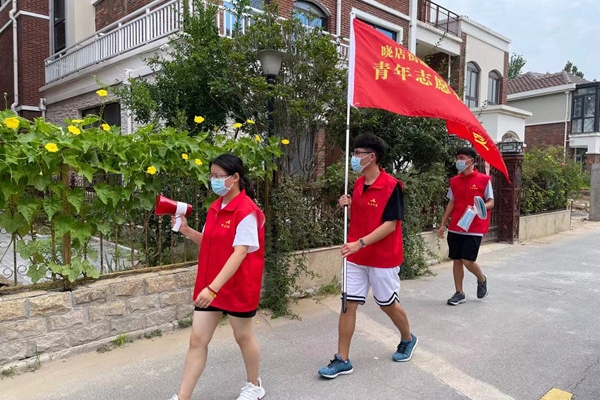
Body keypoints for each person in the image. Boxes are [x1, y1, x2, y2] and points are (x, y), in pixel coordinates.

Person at [318, 132, 417, 380]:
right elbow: (359, 220)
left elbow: (390, 225)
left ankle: (408, 338)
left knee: (387, 304)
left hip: (382, 257)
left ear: (372, 157)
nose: (353, 158)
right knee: (347, 305)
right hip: (355, 256)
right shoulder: (358, 184)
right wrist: (348, 207)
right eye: (354, 153)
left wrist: (359, 243)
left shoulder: (392, 186)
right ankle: (342, 359)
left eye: (358, 154)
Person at [168, 154, 266, 400]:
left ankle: (254, 385)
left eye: (218, 176)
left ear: (235, 178)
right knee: (197, 340)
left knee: (243, 336)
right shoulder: (215, 207)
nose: (213, 181)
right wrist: (187, 230)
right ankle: (182, 397)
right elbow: (210, 242)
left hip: (236, 285)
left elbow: (240, 252)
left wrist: (213, 288)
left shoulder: (247, 211)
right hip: (210, 285)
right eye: (211, 176)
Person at [437, 147, 493, 306]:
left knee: (467, 260)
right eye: (457, 158)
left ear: (471, 161)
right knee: (456, 260)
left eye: (462, 158)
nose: (458, 161)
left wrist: (480, 207)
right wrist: (443, 224)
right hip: (456, 226)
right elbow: (451, 203)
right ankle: (459, 293)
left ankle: (481, 279)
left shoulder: (484, 180)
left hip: (474, 228)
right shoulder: (454, 181)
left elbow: (491, 201)